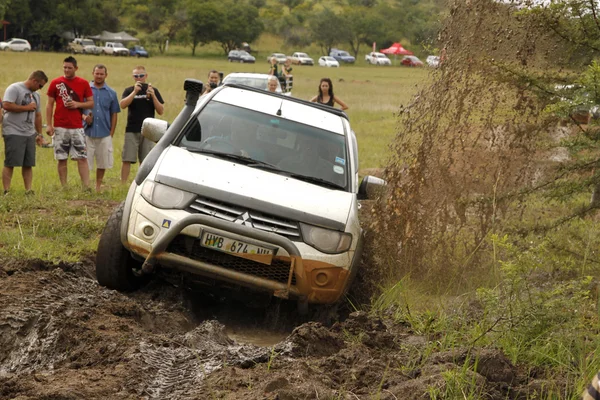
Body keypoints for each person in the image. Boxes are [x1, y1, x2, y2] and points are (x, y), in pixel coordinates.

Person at [46, 56, 94, 189]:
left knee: (82, 157)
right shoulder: (56, 83)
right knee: (61, 158)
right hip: (60, 126)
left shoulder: (83, 83)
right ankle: (64, 186)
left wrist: (77, 104)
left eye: (69, 68)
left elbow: (91, 102)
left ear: (76, 68)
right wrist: (49, 124)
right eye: (65, 67)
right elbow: (49, 104)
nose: (67, 70)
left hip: (77, 126)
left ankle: (86, 187)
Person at [2, 70, 48, 195]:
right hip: (13, 130)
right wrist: (26, 108)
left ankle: (28, 190)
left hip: (29, 132)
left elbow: (38, 115)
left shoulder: (36, 95)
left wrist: (39, 134)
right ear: (34, 81)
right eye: (40, 85)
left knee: (28, 163)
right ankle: (7, 190)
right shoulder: (14, 88)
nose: (40, 88)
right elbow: (6, 105)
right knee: (11, 162)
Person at [120, 65, 164, 184]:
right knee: (127, 158)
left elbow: (161, 111)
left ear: (146, 76)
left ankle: (143, 183)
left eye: (141, 75)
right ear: (133, 77)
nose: (139, 78)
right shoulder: (129, 90)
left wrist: (153, 95)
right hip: (132, 128)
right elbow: (123, 105)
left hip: (148, 130)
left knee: (146, 160)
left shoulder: (153, 90)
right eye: (136, 76)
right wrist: (135, 92)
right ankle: (123, 184)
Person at [83, 64, 120, 192]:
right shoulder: (85, 89)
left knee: (102, 162)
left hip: (104, 132)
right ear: (92, 73)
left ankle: (98, 186)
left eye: (101, 74)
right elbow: (79, 109)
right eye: (97, 73)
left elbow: (114, 113)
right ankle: (86, 186)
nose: (99, 76)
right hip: (87, 132)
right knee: (85, 161)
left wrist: (111, 132)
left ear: (106, 75)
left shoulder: (111, 93)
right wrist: (85, 117)